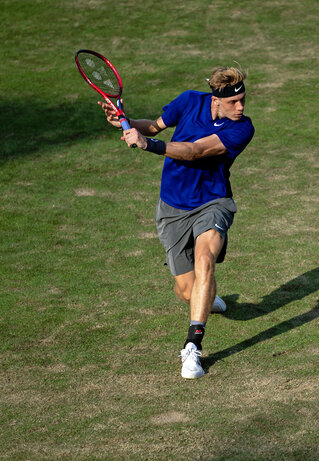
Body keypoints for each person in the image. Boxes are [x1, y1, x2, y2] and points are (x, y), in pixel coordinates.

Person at [99, 66, 254, 379]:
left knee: (205, 260)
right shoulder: (188, 101)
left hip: (213, 201)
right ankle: (205, 297)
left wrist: (149, 145)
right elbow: (154, 127)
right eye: (234, 102)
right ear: (216, 99)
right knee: (187, 291)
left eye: (243, 100)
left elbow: (195, 151)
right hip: (172, 206)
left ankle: (192, 348)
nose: (241, 107)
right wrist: (126, 123)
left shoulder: (242, 128)